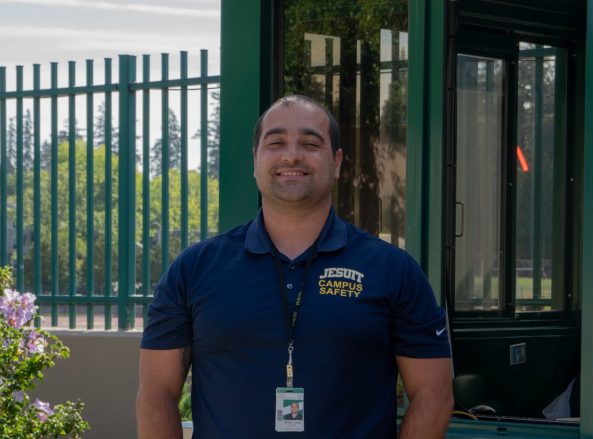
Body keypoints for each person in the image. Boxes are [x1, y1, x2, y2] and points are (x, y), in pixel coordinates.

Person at [136, 94, 454, 438]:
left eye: (309, 142)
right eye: (275, 142)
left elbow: (433, 394)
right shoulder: (194, 269)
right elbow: (157, 394)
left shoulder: (393, 270)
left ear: (337, 161)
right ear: (254, 159)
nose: (291, 155)